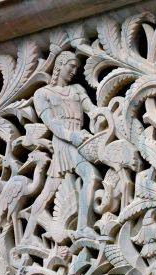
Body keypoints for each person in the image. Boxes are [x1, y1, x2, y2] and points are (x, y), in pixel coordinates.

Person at [22, 51, 102, 243]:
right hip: (64, 142)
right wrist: (71, 136)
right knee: (88, 175)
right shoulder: (42, 94)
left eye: (76, 68)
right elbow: (52, 124)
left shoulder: (76, 90)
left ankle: (28, 234)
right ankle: (82, 228)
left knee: (51, 188)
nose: (74, 71)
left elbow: (91, 110)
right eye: (71, 66)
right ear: (59, 65)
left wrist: (102, 114)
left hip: (80, 139)